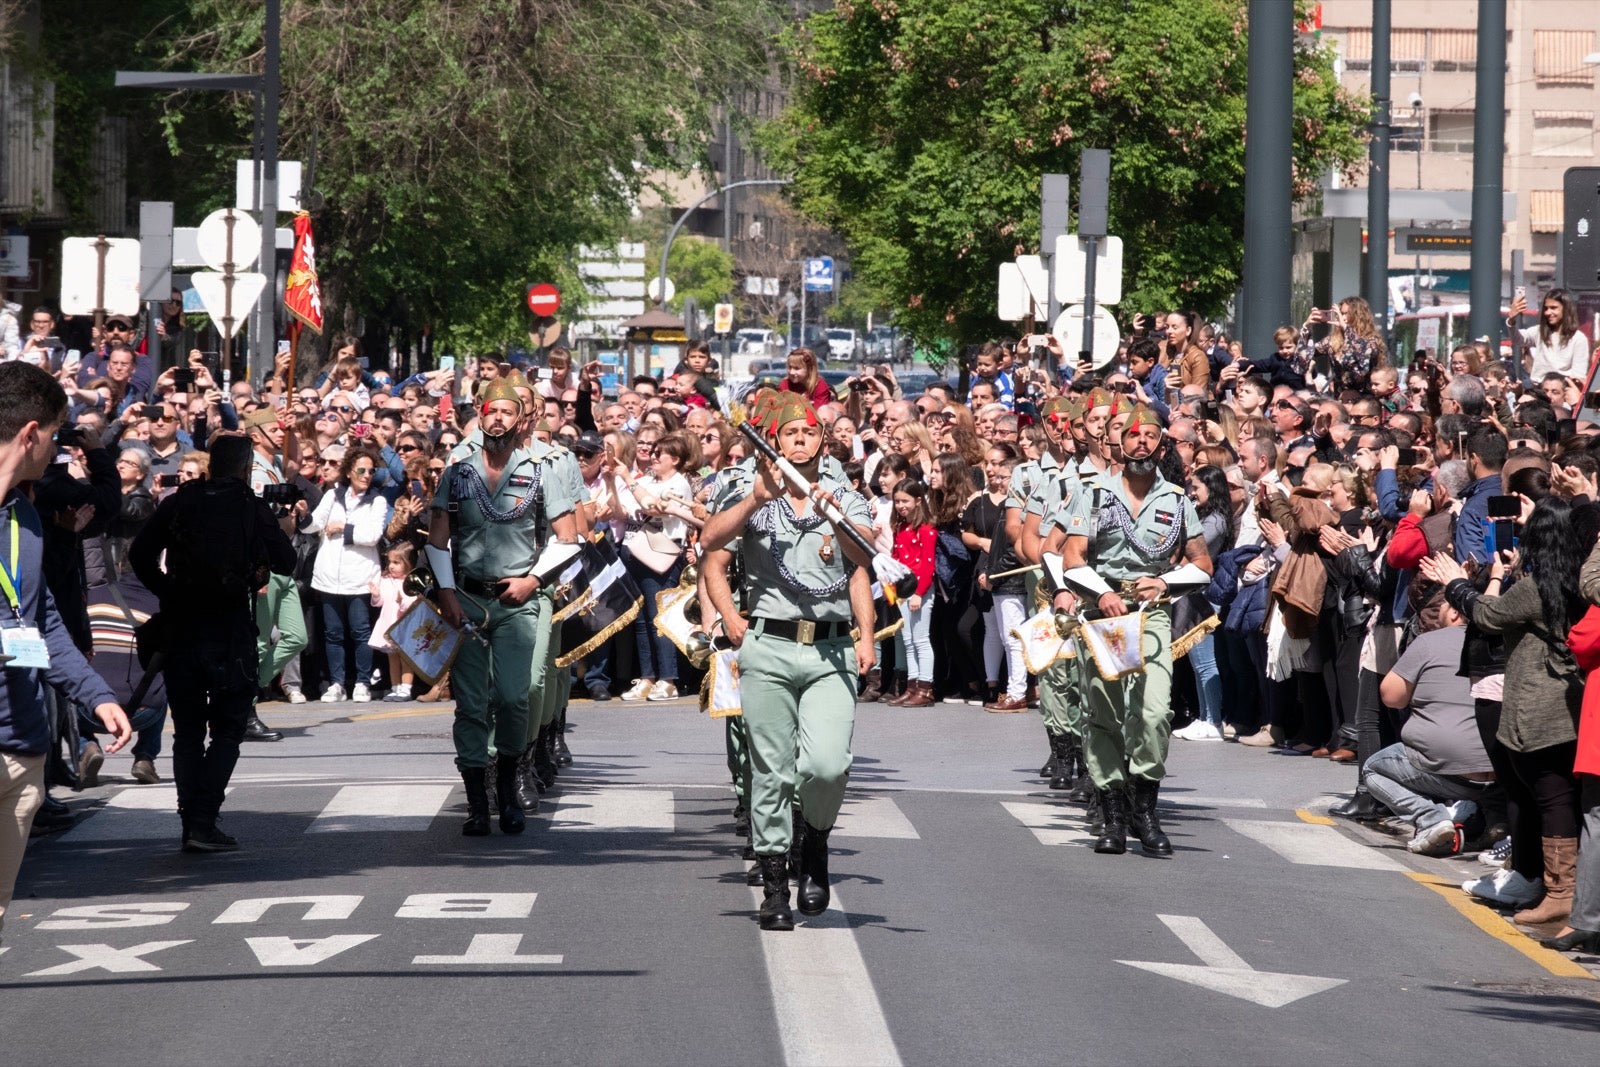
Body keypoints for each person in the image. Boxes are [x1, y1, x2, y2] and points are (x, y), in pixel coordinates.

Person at [700, 392, 876, 931]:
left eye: (809, 432)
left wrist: (866, 634)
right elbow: (710, 546)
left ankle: (816, 840)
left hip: (830, 648)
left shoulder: (841, 489)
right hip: (769, 646)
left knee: (826, 764)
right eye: (790, 434)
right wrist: (729, 615)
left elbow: (863, 561)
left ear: (823, 440)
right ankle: (776, 885)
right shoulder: (746, 489)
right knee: (769, 771)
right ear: (774, 441)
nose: (800, 440)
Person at [0, 363, 130, 933]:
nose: (57, 445)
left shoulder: (24, 519)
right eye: (54, 434)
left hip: (21, 749)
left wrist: (96, 695)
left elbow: (42, 620)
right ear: (30, 433)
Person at [1057, 406, 1213, 856]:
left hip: (1152, 614)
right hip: (1103, 614)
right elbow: (1073, 557)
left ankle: (1144, 805)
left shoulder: (1178, 501)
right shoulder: (1094, 494)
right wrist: (1101, 592)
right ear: (1119, 445)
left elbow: (1202, 563)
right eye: (1132, 435)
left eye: (1150, 436)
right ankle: (1111, 812)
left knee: (1152, 711)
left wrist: (1165, 581)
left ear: (1161, 445)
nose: (1141, 442)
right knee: (1103, 713)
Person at [426, 380, 580, 837]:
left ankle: (510, 783)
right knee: (472, 705)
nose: (497, 419)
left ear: (520, 420)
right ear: (480, 413)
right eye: (491, 411)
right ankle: (478, 802)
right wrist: (447, 593)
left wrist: (534, 579)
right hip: (468, 603)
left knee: (515, 697)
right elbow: (437, 541)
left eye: (506, 412)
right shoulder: (457, 472)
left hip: (518, 603)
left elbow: (568, 539)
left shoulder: (543, 470)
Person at [129, 432, 295, 851]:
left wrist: (169, 590)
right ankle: (202, 820)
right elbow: (287, 561)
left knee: (187, 731)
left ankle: (192, 821)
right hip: (229, 630)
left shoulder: (180, 501)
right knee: (226, 730)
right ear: (246, 469)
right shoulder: (249, 507)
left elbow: (139, 555)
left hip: (183, 625)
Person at [305, 447, 391, 702]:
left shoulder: (377, 500)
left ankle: (362, 682)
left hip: (360, 576)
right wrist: (301, 515)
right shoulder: (332, 495)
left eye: (371, 471)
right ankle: (336, 683)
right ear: (350, 471)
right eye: (361, 470)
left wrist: (343, 527)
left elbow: (372, 535)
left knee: (360, 631)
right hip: (329, 575)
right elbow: (316, 523)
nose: (366, 475)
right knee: (333, 633)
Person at [369, 543, 419, 702]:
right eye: (389, 562)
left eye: (396, 563)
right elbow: (379, 602)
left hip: (404, 626)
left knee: (406, 659)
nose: (391, 566)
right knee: (393, 659)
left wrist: (402, 601)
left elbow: (413, 604)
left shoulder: (411, 582)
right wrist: (376, 595)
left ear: (408, 563)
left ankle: (406, 688)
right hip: (389, 624)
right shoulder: (385, 580)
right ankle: (395, 687)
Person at [1507, 288, 1590, 382]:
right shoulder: (1539, 331)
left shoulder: (1578, 339)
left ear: (1566, 309)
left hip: (1562, 391)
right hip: (1537, 388)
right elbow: (1518, 339)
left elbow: (1578, 375)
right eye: (1546, 308)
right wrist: (1511, 319)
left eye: (1553, 308)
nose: (1548, 312)